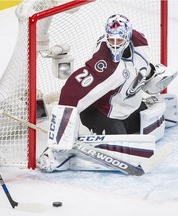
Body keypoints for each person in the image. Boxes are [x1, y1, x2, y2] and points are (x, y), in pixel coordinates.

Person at [37, 14, 177, 173]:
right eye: (111, 40)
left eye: (119, 40)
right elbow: (71, 93)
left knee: (145, 124)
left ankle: (147, 108)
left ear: (128, 36)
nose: (115, 45)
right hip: (102, 113)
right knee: (123, 149)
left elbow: (141, 67)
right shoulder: (103, 65)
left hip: (127, 105)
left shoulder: (140, 43)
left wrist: (152, 74)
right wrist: (61, 138)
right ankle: (62, 158)